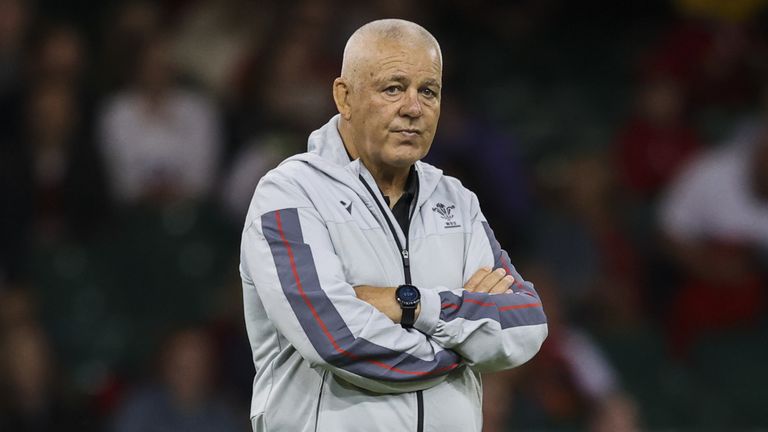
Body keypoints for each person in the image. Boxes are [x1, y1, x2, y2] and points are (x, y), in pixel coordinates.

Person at [240, 19, 547, 432]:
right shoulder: (289, 196)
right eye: (393, 88)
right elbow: (339, 341)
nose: (413, 108)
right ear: (344, 97)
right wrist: (462, 348)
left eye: (428, 91)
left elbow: (525, 322)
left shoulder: (457, 201)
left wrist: (413, 305)